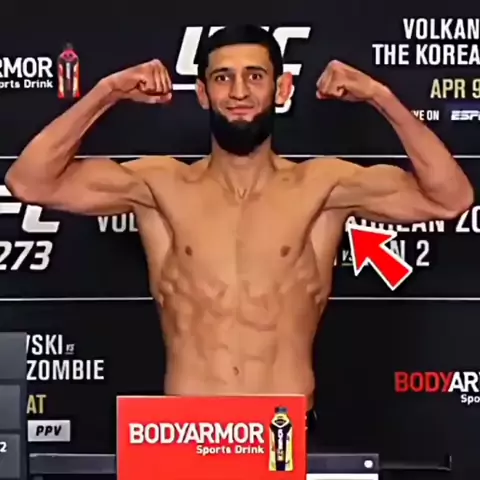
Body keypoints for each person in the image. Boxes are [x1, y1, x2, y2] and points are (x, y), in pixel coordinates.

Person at [6, 26, 473, 450]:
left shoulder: (324, 187)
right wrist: (106, 92)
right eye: (223, 78)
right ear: (203, 93)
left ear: (281, 88)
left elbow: (450, 199)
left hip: (283, 430)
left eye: (255, 76)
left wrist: (380, 96)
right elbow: (30, 182)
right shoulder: (159, 186)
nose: (239, 92)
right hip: (186, 430)